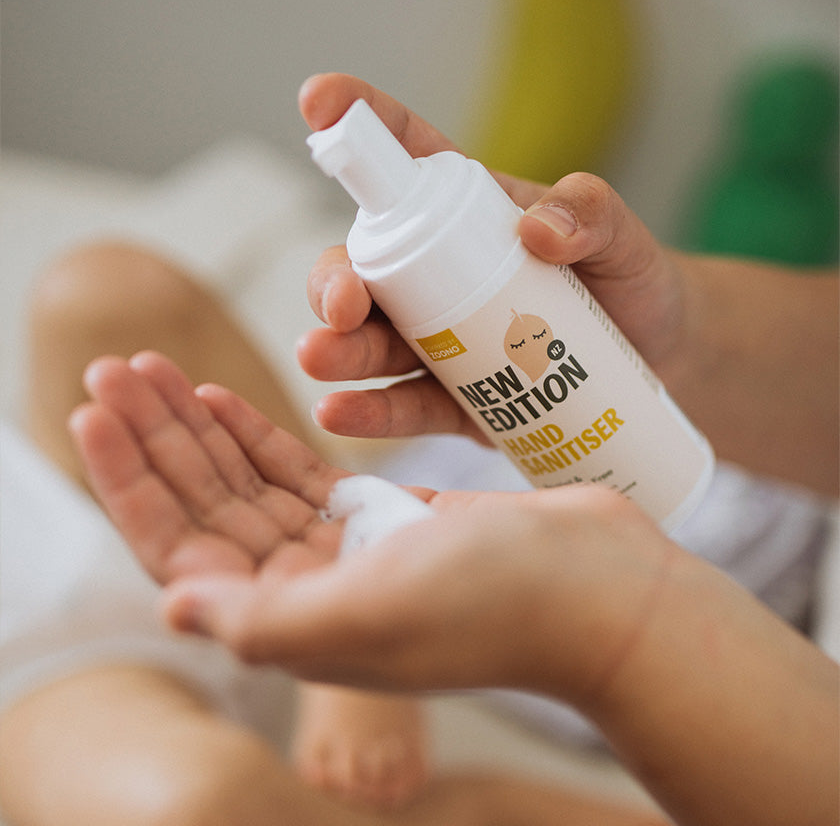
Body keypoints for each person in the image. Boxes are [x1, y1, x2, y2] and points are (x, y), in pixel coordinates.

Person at [66, 74, 839, 826]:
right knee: (101, 295)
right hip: (657, 445)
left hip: (721, 566)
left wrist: (616, 630)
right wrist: (681, 333)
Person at [0, 243, 663, 826]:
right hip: (40, 680)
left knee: (104, 286)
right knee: (203, 807)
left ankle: (341, 587)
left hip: (67, 489)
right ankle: (460, 809)